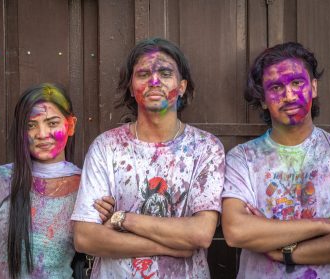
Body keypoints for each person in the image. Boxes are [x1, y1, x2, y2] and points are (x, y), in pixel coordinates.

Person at [71, 37, 225, 278]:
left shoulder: (205, 148)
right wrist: (171, 245)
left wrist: (121, 218)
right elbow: (84, 237)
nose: (154, 81)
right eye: (143, 74)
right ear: (131, 88)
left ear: (182, 86)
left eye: (165, 73)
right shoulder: (107, 146)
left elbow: (201, 233)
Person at [221, 42, 330, 278]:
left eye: (297, 83)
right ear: (263, 99)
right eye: (276, 87)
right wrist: (326, 225)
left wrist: (287, 253)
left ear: (313, 87)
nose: (288, 95)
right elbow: (237, 231)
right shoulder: (242, 158)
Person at [0, 83, 81, 278]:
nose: (42, 134)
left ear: (70, 125)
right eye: (31, 125)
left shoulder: (87, 184)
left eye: (52, 123)